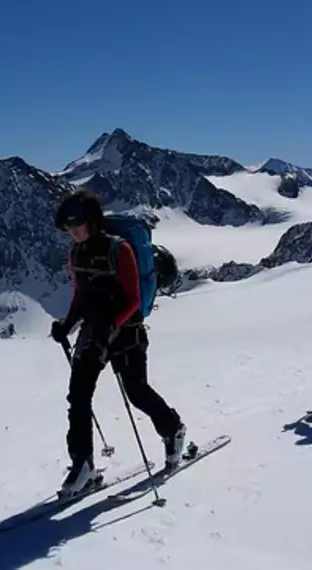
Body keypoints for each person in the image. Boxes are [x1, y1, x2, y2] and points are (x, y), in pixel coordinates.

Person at [51, 190, 186, 497]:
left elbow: (134, 298)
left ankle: (173, 430)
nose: (71, 231)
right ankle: (82, 463)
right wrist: (67, 325)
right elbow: (81, 296)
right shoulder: (77, 254)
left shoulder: (119, 249)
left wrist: (112, 324)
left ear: (91, 220)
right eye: (67, 226)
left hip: (127, 330)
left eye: (76, 223)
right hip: (95, 330)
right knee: (78, 397)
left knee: (137, 392)